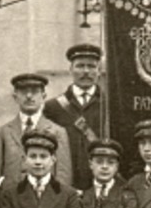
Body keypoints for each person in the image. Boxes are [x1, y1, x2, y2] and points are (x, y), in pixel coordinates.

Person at [44, 43, 110, 193]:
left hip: (101, 183)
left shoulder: (110, 105)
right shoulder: (53, 107)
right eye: (80, 66)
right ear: (70, 70)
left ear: (99, 71)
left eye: (91, 66)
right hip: (64, 184)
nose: (86, 71)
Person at [0, 71, 75, 190]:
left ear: (43, 97)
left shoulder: (57, 132)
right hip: (10, 201)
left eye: (35, 92)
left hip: (46, 200)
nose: (29, 96)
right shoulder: (3, 132)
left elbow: (63, 175)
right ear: (15, 97)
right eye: (23, 92)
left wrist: (58, 202)